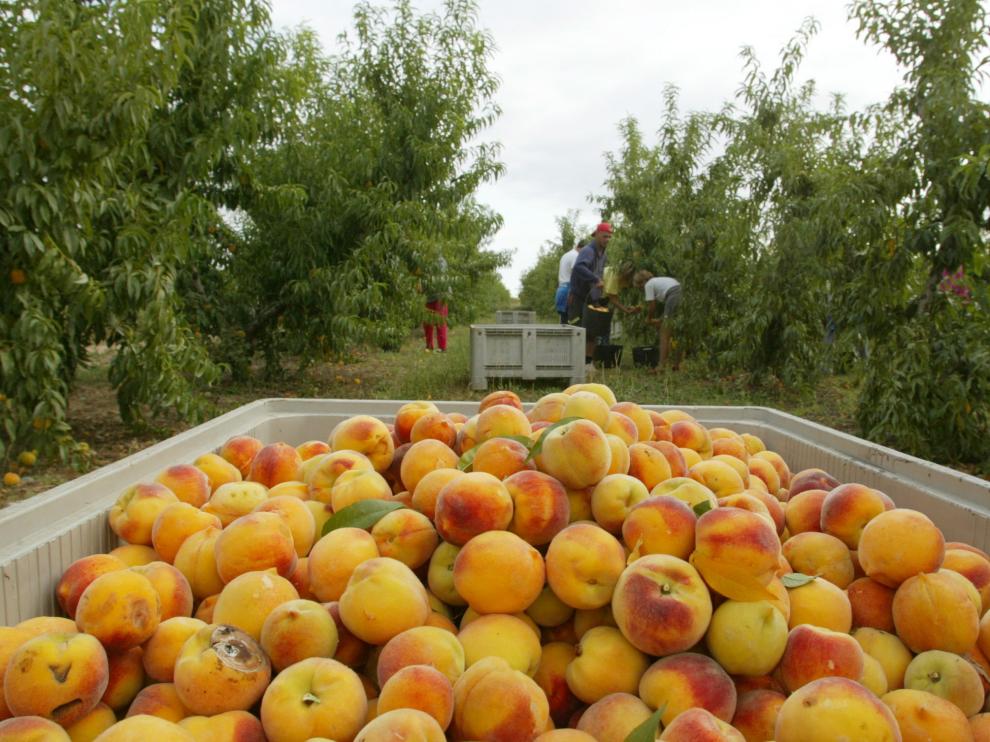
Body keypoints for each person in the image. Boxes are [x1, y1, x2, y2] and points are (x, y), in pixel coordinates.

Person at [569, 222, 612, 368]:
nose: (607, 239)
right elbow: (579, 267)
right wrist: (595, 280)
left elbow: (599, 273)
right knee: (577, 330)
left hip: (593, 297)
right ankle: (573, 363)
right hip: (579, 297)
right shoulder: (588, 250)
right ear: (597, 234)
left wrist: (600, 293)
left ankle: (588, 363)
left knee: (593, 330)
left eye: (609, 237)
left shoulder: (603, 254)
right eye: (605, 236)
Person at [633, 269, 682, 370]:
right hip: (680, 292)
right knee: (677, 332)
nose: (641, 289)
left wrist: (649, 319)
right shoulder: (658, 281)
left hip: (673, 295)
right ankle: (676, 364)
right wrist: (659, 320)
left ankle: (661, 366)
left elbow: (652, 306)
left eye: (640, 287)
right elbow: (668, 312)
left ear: (642, 282)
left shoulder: (648, 284)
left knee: (664, 334)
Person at [423, 256, 449, 353]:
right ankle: (429, 346)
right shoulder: (423, 259)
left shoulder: (440, 260)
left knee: (440, 321)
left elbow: (440, 274)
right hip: (429, 296)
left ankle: (442, 348)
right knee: (427, 322)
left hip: (441, 295)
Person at [555, 240, 582, 324]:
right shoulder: (576, 255)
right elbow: (576, 272)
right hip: (569, 288)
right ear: (580, 248)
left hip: (561, 288)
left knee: (564, 320)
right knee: (573, 320)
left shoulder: (565, 255)